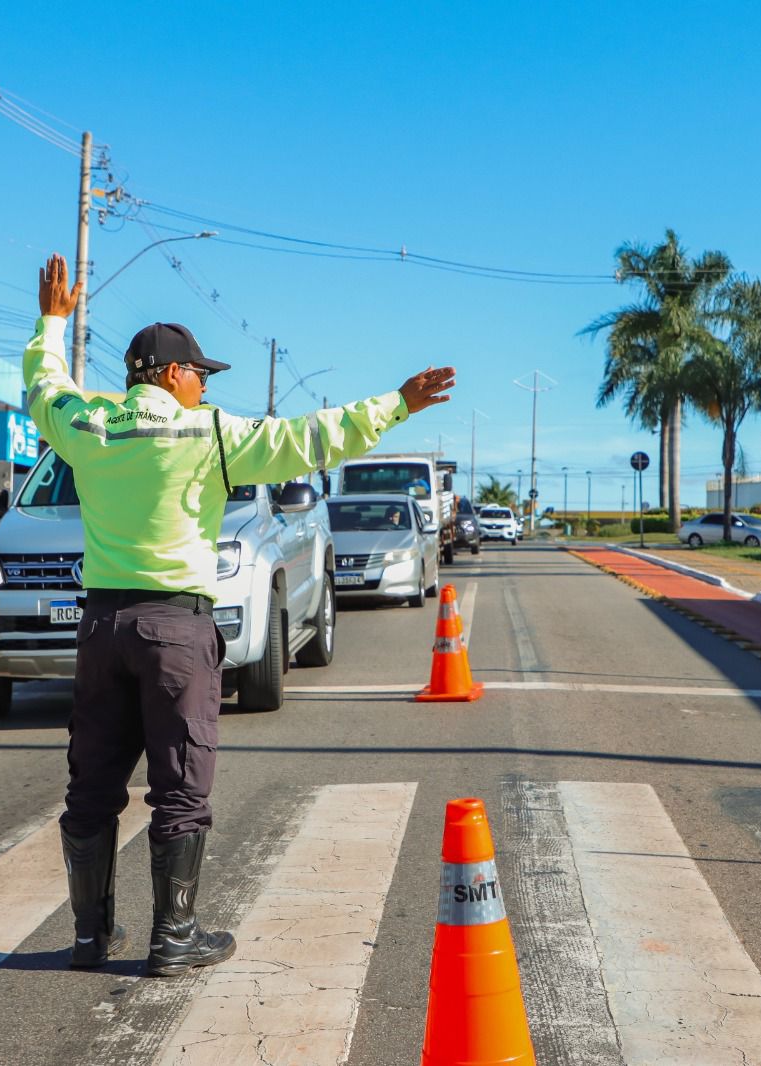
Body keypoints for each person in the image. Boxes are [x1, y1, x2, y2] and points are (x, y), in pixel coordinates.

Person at [25, 254, 454, 976]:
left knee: (91, 786)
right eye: (199, 372)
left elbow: (45, 388)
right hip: (176, 632)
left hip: (102, 630)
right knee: (180, 787)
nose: (204, 383)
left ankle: (90, 938)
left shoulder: (88, 427)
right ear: (169, 375)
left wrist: (51, 321)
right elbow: (315, 438)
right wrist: (398, 405)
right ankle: (173, 938)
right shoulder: (211, 435)